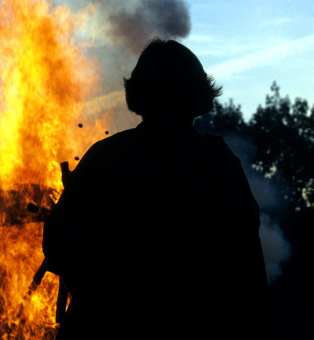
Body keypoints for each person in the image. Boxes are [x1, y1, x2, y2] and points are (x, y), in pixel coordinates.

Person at [43, 38, 275, 339]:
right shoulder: (218, 161)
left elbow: (59, 248)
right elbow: (247, 264)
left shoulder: (106, 156)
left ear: (139, 94)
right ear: (199, 95)